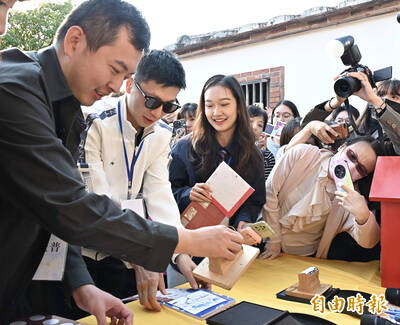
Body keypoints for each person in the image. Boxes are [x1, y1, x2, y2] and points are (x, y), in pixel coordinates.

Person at [0, 1, 243, 323]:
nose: (115, 86)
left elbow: (49, 210)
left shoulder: (67, 105)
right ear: (75, 41)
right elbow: (71, 206)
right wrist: (188, 240)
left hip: (39, 270)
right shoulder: (16, 91)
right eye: (115, 70)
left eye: (125, 74)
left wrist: (80, 283)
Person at [80, 49, 202, 310]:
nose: (158, 112)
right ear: (128, 85)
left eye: (169, 106)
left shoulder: (161, 134)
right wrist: (140, 253)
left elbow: (160, 195)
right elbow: (96, 201)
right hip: (83, 252)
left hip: (126, 251)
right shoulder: (93, 121)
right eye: (151, 101)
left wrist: (180, 251)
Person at [169, 75, 266, 230]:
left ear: (238, 106)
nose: (216, 112)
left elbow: (254, 200)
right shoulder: (184, 148)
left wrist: (244, 221)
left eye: (224, 104)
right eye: (209, 105)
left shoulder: (252, 153)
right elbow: (166, 192)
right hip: (192, 241)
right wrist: (188, 194)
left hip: (230, 241)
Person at [260, 137, 380, 260]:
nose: (351, 167)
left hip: (303, 258)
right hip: (265, 242)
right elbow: (269, 192)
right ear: (342, 147)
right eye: (351, 156)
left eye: (361, 169)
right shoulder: (303, 154)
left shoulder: (351, 197)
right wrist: (273, 241)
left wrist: (363, 215)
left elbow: (369, 242)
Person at [248, 104, 275, 180]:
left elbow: (266, 188)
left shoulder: (267, 157)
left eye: (260, 125)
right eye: (250, 121)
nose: (254, 127)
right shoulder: (225, 151)